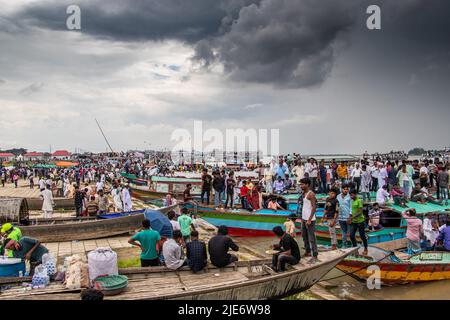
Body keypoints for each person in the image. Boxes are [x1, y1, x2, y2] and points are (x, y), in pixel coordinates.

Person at [299, 178, 319, 263]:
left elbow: (314, 208)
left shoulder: (311, 194)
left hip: (310, 219)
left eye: (302, 184)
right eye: (300, 184)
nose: (301, 186)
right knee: (304, 236)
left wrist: (310, 219)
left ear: (307, 184)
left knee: (312, 238)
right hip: (304, 219)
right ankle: (307, 251)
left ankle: (315, 255)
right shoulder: (303, 193)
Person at [349, 190, 368, 255]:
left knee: (362, 236)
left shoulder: (359, 201)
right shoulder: (352, 201)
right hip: (354, 221)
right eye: (350, 195)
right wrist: (350, 218)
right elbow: (352, 211)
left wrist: (352, 217)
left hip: (360, 221)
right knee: (351, 235)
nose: (351, 196)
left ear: (355, 194)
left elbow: (360, 212)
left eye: (352, 195)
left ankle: (365, 248)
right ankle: (355, 248)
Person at [337, 184, 352, 248]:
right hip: (340, 217)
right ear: (341, 189)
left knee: (350, 232)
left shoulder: (350, 197)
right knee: (343, 232)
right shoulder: (338, 196)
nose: (345, 190)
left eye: (347, 189)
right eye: (344, 189)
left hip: (348, 217)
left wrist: (350, 216)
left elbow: (351, 207)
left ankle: (352, 245)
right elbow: (337, 205)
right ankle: (344, 245)